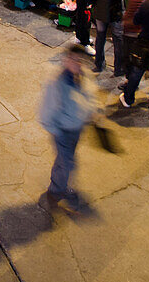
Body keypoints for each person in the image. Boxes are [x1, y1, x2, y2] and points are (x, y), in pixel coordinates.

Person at [39, 44, 100, 214]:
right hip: (62, 131)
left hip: (77, 129)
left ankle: (55, 186)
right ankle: (59, 191)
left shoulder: (84, 76)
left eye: (80, 60)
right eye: (73, 59)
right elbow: (46, 109)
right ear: (66, 60)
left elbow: (90, 96)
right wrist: (54, 130)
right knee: (69, 164)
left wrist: (93, 112)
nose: (77, 63)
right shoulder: (56, 83)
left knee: (64, 161)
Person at [87, 0, 131, 75]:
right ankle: (118, 69)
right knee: (118, 41)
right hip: (116, 15)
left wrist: (92, 4)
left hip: (100, 14)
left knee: (100, 38)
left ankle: (99, 65)